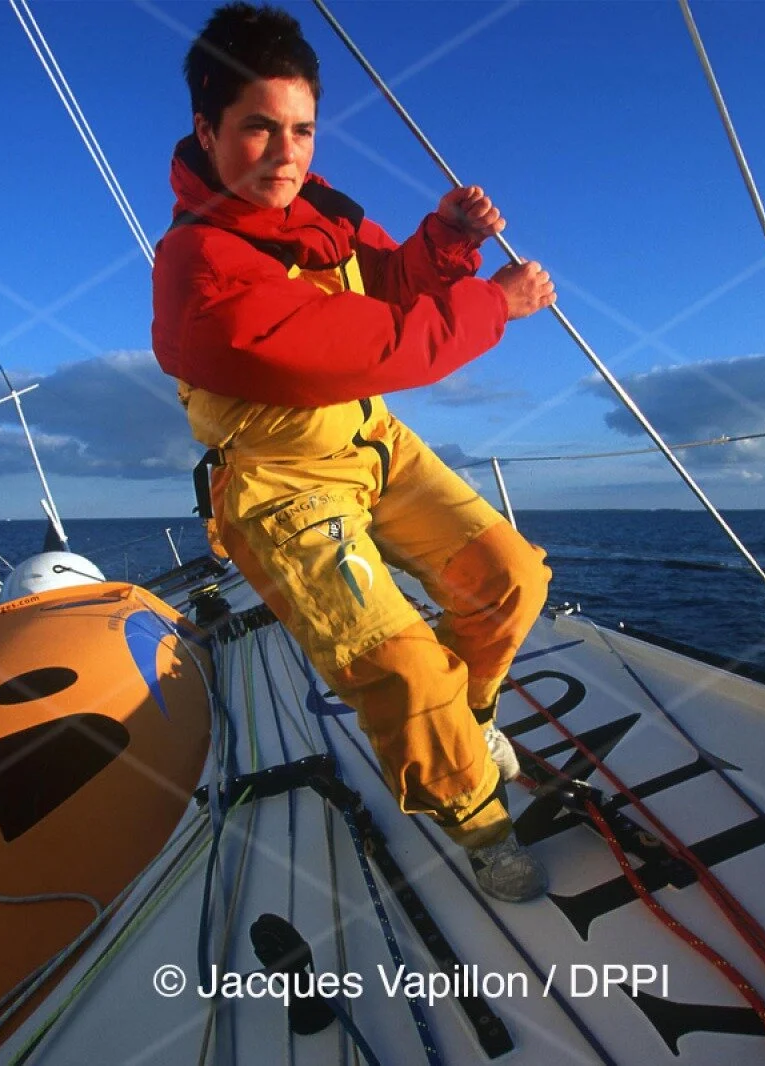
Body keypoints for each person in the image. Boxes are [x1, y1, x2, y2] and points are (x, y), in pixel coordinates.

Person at [152, 2, 556, 902]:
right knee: (404, 667)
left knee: (512, 578)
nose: (286, 153)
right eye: (258, 129)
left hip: (372, 442)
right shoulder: (199, 268)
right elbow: (375, 345)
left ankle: (474, 718)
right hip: (284, 486)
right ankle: (480, 820)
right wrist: (496, 303)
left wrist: (446, 241)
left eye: (300, 129)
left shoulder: (318, 211)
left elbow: (391, 282)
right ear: (206, 130)